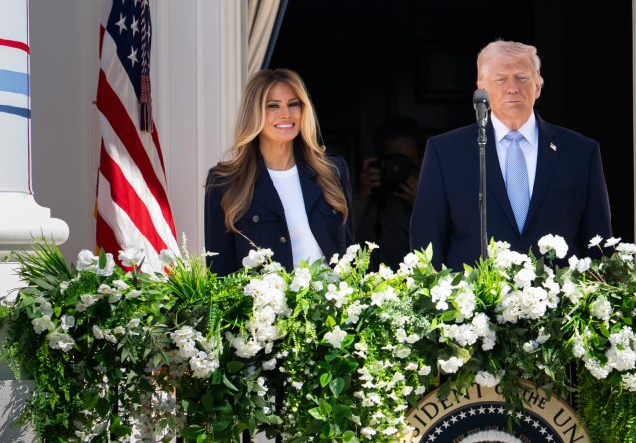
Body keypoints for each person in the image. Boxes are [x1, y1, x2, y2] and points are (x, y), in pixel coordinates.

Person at [411, 39, 611, 269]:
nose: (512, 88)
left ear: (538, 87)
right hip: (474, 291)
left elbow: (599, 246)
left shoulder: (580, 152)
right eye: (500, 79)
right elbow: (426, 243)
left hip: (559, 291)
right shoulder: (445, 152)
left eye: (522, 78)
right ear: (482, 89)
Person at [204, 68, 353, 276]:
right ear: (254, 113)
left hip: (330, 295)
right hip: (261, 298)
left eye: (293, 104)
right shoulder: (224, 182)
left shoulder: (333, 172)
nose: (286, 114)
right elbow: (220, 274)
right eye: (273, 106)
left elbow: (350, 257)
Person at [355, 116, 425, 269]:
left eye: (406, 161)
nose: (398, 168)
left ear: (421, 160)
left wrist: (421, 206)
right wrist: (361, 196)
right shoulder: (373, 201)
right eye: (394, 161)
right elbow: (347, 243)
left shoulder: (437, 195)